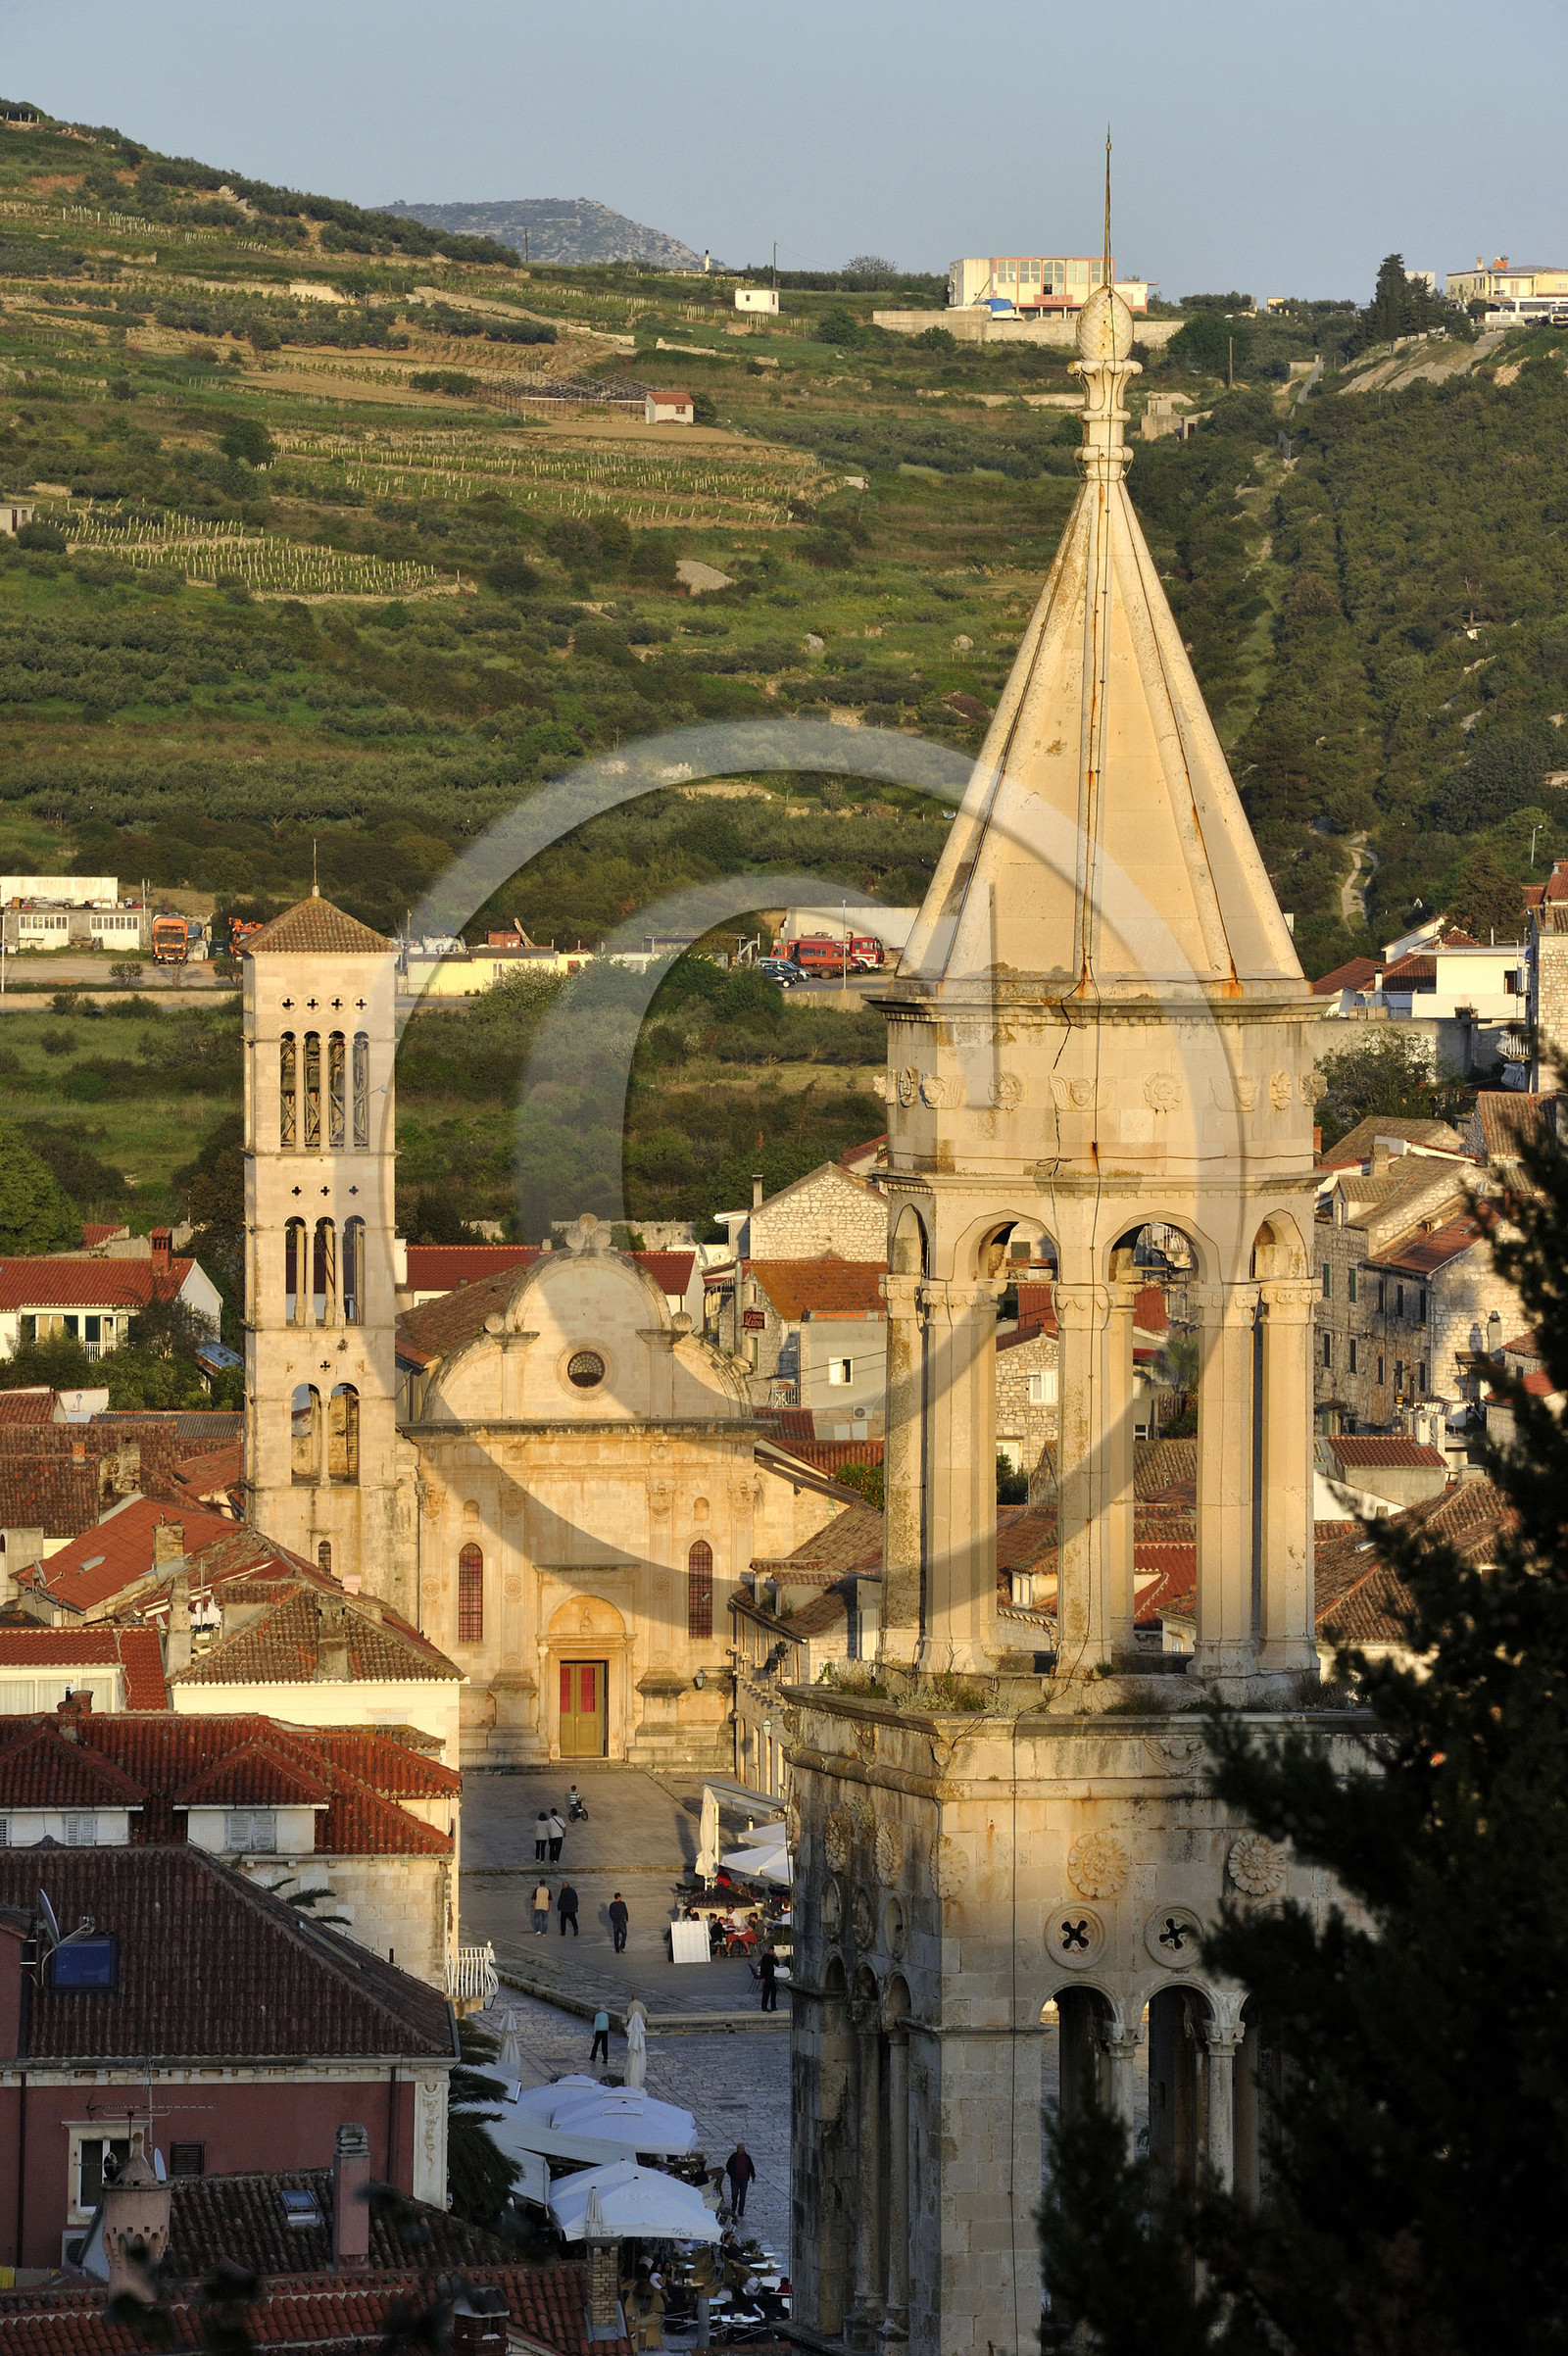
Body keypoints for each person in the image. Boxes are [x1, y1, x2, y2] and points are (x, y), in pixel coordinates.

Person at [725, 2141, 756, 2219]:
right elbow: (728, 2166)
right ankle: (733, 2208)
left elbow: (751, 2167)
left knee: (743, 2195)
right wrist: (731, 2174)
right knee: (734, 2194)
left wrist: (753, 2176)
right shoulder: (733, 2157)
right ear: (738, 2149)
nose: (742, 2150)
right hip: (735, 2179)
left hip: (744, 2179)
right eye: (741, 2148)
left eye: (743, 2148)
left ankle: (741, 2211)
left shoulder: (747, 2157)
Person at [758, 1945, 778, 2011]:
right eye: (771, 1951)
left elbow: (777, 1964)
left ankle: (773, 2006)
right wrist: (763, 1977)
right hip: (766, 1977)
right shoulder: (765, 1957)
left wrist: (775, 1957)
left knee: (774, 1991)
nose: (772, 1952)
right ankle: (764, 2007)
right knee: (766, 1992)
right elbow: (762, 1968)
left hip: (771, 1976)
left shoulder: (772, 1957)